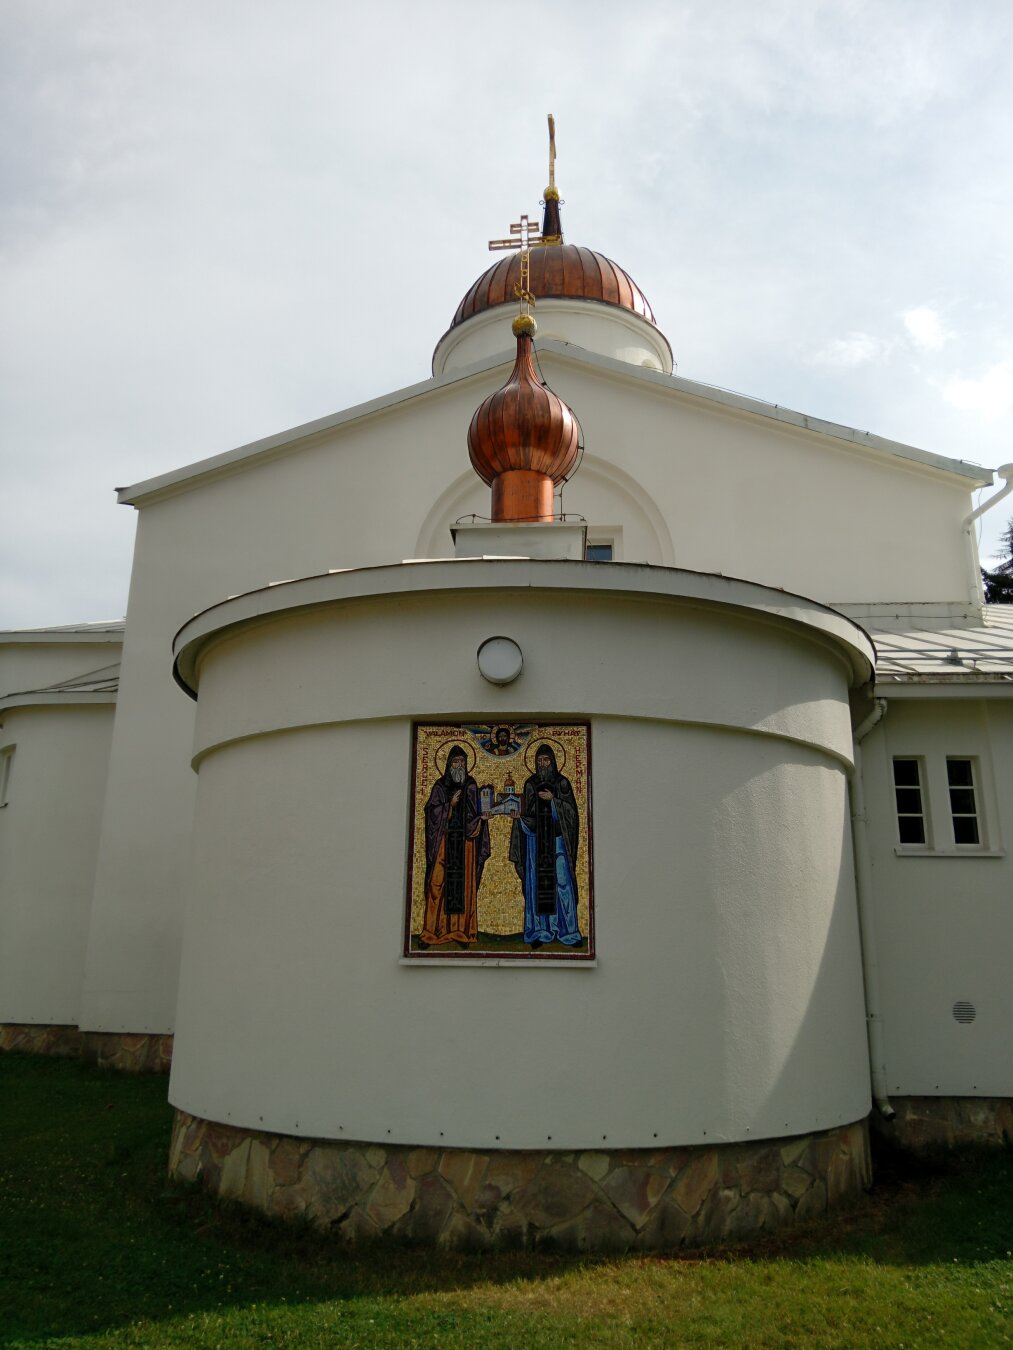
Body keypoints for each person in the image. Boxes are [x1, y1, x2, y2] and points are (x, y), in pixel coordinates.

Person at [509, 744, 581, 947]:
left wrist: (554, 801)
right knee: (537, 886)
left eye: (546, 760)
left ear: (553, 761)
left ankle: (568, 932)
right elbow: (528, 812)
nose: (542, 764)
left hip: (557, 842)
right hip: (535, 842)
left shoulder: (562, 783)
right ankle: (541, 931)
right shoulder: (530, 784)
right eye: (539, 760)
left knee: (562, 884)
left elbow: (571, 815)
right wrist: (519, 818)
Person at [419, 745, 490, 947]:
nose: (459, 765)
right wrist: (449, 805)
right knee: (437, 884)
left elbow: (475, 813)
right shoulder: (440, 786)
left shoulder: (471, 785)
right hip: (444, 842)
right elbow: (431, 812)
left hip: (466, 844)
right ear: (449, 764)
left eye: (462, 762)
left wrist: (482, 818)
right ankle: (431, 932)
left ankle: (462, 932)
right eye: (456, 762)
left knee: (464, 886)